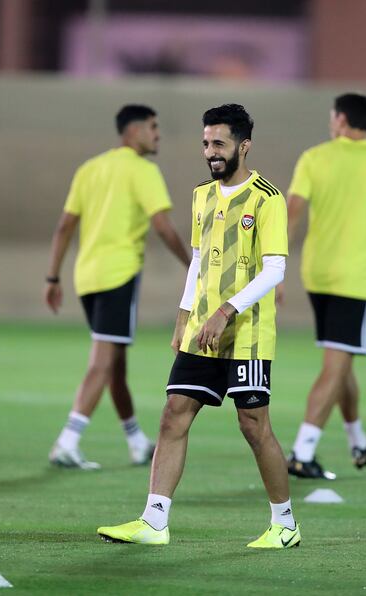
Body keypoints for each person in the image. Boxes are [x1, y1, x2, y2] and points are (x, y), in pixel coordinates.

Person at [97, 104, 301, 549]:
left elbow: (274, 270)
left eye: (220, 144)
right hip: (202, 331)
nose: (211, 152)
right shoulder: (201, 195)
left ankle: (285, 524)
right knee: (174, 415)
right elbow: (197, 261)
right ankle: (154, 522)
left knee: (253, 425)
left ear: (243, 146)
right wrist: (184, 315)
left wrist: (226, 310)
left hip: (246, 332)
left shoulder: (267, 198)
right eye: (206, 143)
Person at [44, 104, 190, 470]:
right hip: (118, 275)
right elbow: (162, 225)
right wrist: (194, 265)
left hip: (87, 277)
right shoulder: (143, 170)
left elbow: (65, 225)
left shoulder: (90, 168)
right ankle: (68, 441)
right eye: (153, 127)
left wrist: (53, 276)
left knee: (116, 364)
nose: (158, 134)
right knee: (103, 362)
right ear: (133, 131)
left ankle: (137, 441)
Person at [281, 93, 366, 480]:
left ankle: (357, 441)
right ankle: (303, 451)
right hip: (355, 278)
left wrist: (277, 270)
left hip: (317, 275)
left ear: (342, 120)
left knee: (341, 361)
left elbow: (291, 214)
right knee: (337, 364)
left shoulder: (314, 157)